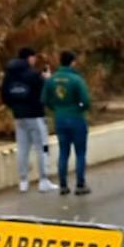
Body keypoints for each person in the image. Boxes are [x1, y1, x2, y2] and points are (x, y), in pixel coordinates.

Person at [0, 47, 58, 193]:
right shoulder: (33, 75)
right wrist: (46, 80)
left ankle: (23, 181)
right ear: (30, 58)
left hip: (19, 116)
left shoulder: (9, 75)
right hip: (35, 115)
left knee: (23, 148)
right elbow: (43, 94)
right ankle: (43, 180)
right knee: (42, 148)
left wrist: (15, 107)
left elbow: (5, 96)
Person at [43, 50, 92, 195]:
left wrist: (56, 108)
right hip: (76, 117)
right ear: (73, 62)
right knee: (80, 152)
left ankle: (63, 185)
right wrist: (80, 108)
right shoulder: (76, 79)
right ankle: (80, 184)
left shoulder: (52, 80)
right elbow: (86, 101)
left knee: (64, 152)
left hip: (60, 118)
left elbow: (45, 100)